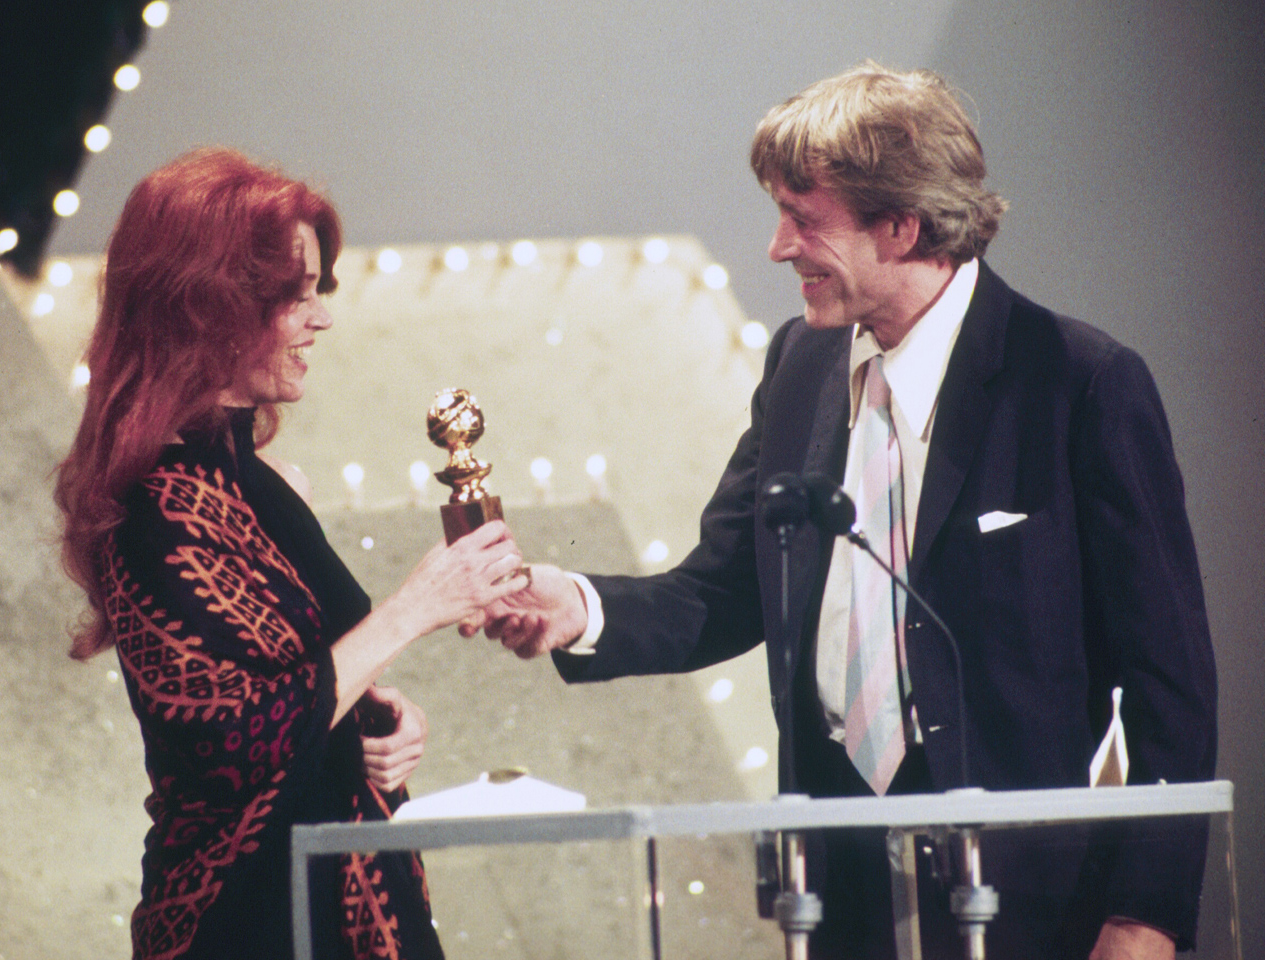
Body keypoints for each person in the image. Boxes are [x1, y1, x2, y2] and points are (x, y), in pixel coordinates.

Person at [470, 63, 1217, 959]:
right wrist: (581, 608)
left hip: (1028, 905)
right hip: (837, 899)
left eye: (804, 219)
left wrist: (1146, 917)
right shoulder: (801, 367)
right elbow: (726, 589)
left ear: (900, 225)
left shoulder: (1079, 383)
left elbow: (1171, 685)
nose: (779, 247)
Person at [54, 147, 528, 960]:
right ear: (209, 307)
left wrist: (378, 716)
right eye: (295, 297)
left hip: (342, 900)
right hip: (247, 923)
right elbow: (234, 743)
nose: (321, 319)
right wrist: (413, 610)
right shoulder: (152, 506)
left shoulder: (263, 485)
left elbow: (295, 683)